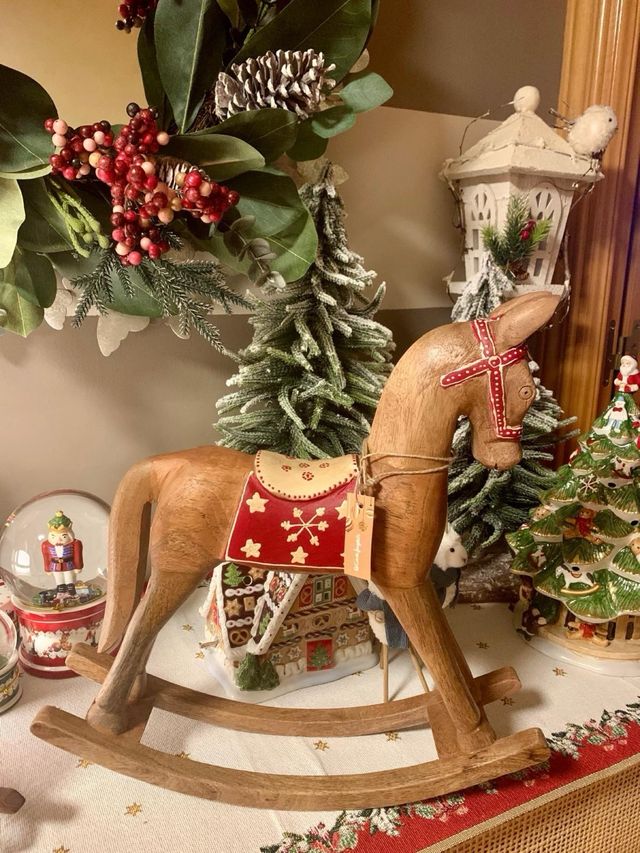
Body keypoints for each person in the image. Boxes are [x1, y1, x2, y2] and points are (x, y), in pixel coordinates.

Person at [41, 510, 83, 599]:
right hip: (55, 565)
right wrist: (47, 568)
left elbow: (77, 556)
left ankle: (72, 593)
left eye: (63, 536)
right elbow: (46, 557)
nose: (58, 540)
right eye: (54, 536)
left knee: (69, 579)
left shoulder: (75, 544)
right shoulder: (46, 545)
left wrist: (78, 567)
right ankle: (61, 593)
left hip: (68, 564)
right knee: (59, 580)